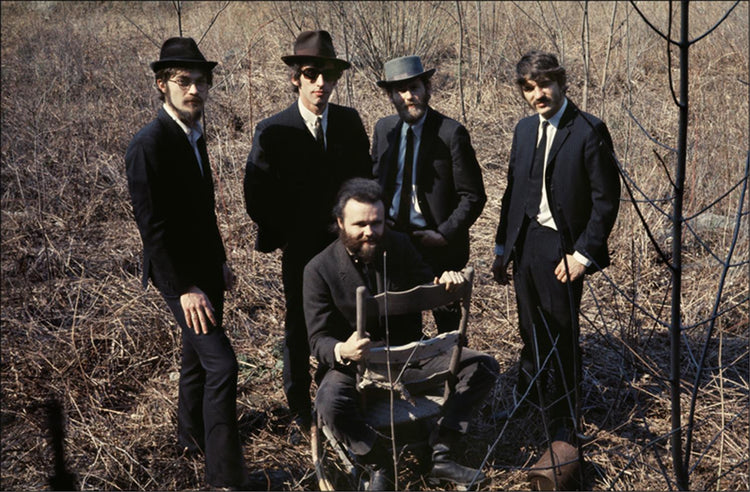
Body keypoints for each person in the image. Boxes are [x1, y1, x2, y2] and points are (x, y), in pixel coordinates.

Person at [304, 178, 499, 490]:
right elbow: (317, 340)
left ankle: (441, 453)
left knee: (482, 366)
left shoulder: (399, 246)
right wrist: (344, 349)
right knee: (329, 404)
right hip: (355, 367)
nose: (370, 232)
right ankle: (379, 464)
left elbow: (432, 292)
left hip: (410, 357)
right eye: (360, 224)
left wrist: (447, 286)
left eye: (377, 223)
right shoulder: (319, 269)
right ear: (340, 222)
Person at [125, 37, 247, 488]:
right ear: (162, 84)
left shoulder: (194, 134)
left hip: (204, 266)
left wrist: (219, 263)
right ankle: (225, 478)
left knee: (197, 357)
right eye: (182, 81)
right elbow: (152, 230)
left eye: (200, 81)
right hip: (177, 275)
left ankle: (190, 437)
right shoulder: (148, 145)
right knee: (222, 365)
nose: (194, 90)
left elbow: (202, 210)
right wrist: (184, 289)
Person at [243, 30, 371, 435]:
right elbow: (256, 197)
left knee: (347, 316)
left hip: (345, 246)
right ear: (295, 78)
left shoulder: (349, 122)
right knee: (299, 323)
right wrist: (288, 235)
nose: (321, 83)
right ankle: (300, 404)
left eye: (328, 75)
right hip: (300, 249)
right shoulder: (273, 130)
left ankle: (338, 389)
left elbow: (364, 181)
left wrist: (352, 232)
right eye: (312, 73)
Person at [491, 51, 621, 445]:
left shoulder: (587, 129)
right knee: (529, 328)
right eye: (529, 88)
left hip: (563, 247)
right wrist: (502, 246)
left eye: (545, 84)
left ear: (562, 82)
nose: (538, 94)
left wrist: (582, 255)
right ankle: (529, 397)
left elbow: (606, 201)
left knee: (563, 334)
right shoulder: (524, 129)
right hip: (525, 242)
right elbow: (512, 192)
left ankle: (567, 414)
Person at [372, 55, 486, 333]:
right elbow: (374, 182)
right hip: (394, 241)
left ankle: (455, 375)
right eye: (400, 90)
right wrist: (380, 221)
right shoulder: (384, 129)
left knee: (448, 327)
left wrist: (444, 233)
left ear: (427, 88)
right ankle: (410, 373)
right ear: (390, 96)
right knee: (397, 323)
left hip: (437, 246)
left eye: (415, 87)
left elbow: (472, 196)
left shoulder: (451, 133)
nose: (409, 97)